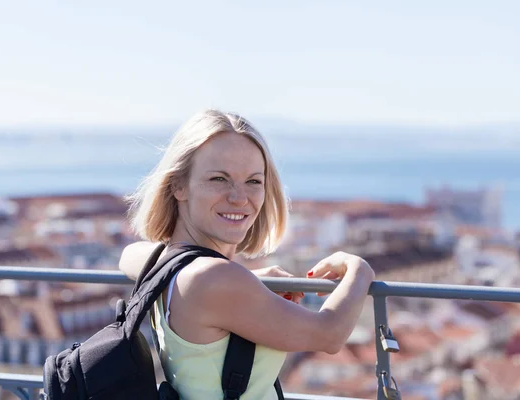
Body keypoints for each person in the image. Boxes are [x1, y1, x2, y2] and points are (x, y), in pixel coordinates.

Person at [119, 109, 375, 399]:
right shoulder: (214, 278)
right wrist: (360, 269)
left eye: (253, 181)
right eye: (219, 178)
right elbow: (329, 334)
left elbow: (128, 255)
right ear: (178, 185)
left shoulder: (169, 265)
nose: (239, 197)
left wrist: (248, 281)